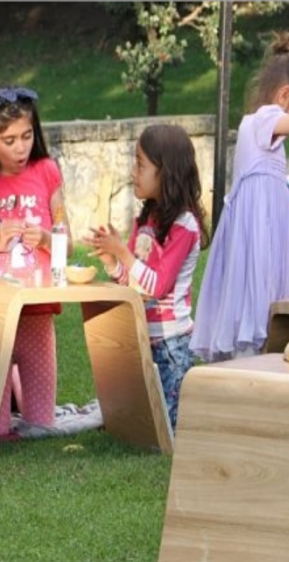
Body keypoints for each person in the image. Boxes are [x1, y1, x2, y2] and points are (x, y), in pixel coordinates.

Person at [190, 30, 289, 362]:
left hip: (260, 235)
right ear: (284, 95)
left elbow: (264, 184)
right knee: (258, 295)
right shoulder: (264, 118)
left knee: (260, 295)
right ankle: (256, 355)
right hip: (257, 243)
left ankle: (261, 352)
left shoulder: (261, 131)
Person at [0, 84, 72, 440]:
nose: (21, 148)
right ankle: (10, 386)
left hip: (37, 313)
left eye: (27, 136)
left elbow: (68, 242)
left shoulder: (47, 171)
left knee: (41, 424)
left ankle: (21, 386)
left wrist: (49, 240)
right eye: (9, 140)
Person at [88, 124, 205, 429]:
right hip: (142, 335)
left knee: (168, 427)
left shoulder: (185, 225)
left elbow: (158, 285)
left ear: (166, 171)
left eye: (140, 164)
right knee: (142, 423)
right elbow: (132, 284)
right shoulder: (147, 220)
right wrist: (112, 261)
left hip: (170, 342)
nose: (132, 172)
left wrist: (123, 254)